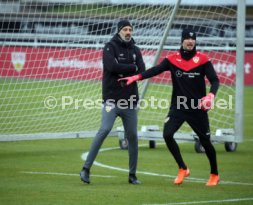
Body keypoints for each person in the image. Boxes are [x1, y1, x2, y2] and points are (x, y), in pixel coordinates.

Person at [119, 28, 220, 186]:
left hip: (197, 109)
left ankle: (214, 173)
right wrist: (136, 77)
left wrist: (211, 95)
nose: (190, 41)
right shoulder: (172, 59)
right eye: (187, 38)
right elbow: (155, 70)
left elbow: (215, 80)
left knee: (206, 142)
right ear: (182, 40)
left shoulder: (203, 59)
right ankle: (182, 168)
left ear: (195, 42)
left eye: (193, 39)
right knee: (167, 134)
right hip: (178, 108)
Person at [80, 20, 145, 185]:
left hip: (130, 101)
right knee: (104, 130)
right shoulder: (110, 46)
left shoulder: (136, 49)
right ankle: (86, 169)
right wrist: (132, 67)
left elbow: (142, 71)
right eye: (125, 29)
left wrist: (126, 67)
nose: (128, 32)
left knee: (133, 136)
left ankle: (132, 175)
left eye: (130, 29)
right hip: (111, 100)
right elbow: (112, 67)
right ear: (119, 31)